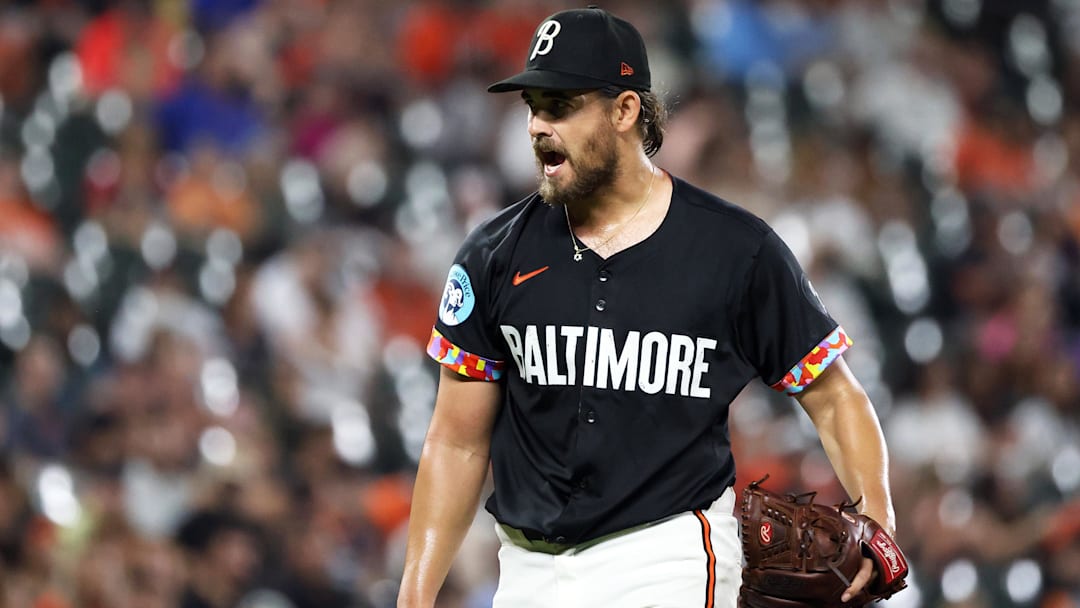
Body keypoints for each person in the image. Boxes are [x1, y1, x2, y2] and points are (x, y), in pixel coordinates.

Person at [398, 7, 898, 608]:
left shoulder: (735, 250)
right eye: (532, 105)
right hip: (527, 572)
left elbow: (836, 396)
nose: (536, 125)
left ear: (625, 110)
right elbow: (455, 442)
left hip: (667, 558)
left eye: (560, 106)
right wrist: (416, 595)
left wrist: (878, 517)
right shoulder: (493, 254)